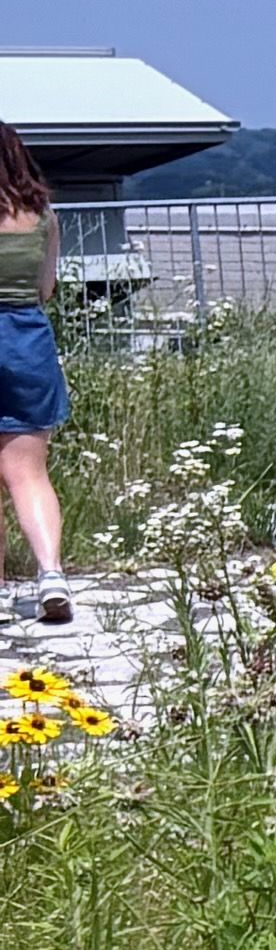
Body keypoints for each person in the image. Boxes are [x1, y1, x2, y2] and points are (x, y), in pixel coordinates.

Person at [0, 123, 71, 628]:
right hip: (26, 343)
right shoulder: (45, 218)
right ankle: (50, 574)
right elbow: (46, 288)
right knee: (29, 473)